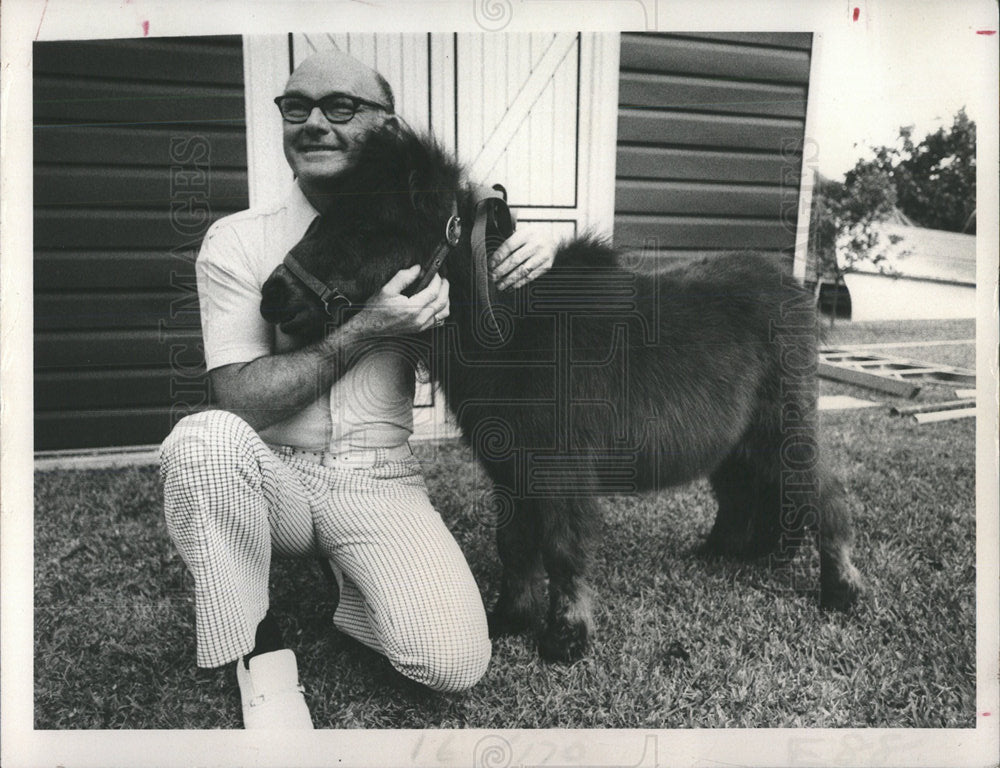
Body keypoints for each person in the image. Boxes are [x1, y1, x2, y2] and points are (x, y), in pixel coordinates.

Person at [158, 49, 556, 729]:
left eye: (340, 107)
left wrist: (528, 253)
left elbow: (509, 335)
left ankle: (355, 592)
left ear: (387, 128)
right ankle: (261, 650)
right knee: (203, 443)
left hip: (380, 480)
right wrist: (364, 330)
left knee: (454, 663)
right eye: (296, 107)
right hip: (272, 477)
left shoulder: (424, 225)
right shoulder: (236, 241)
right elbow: (241, 399)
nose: (313, 122)